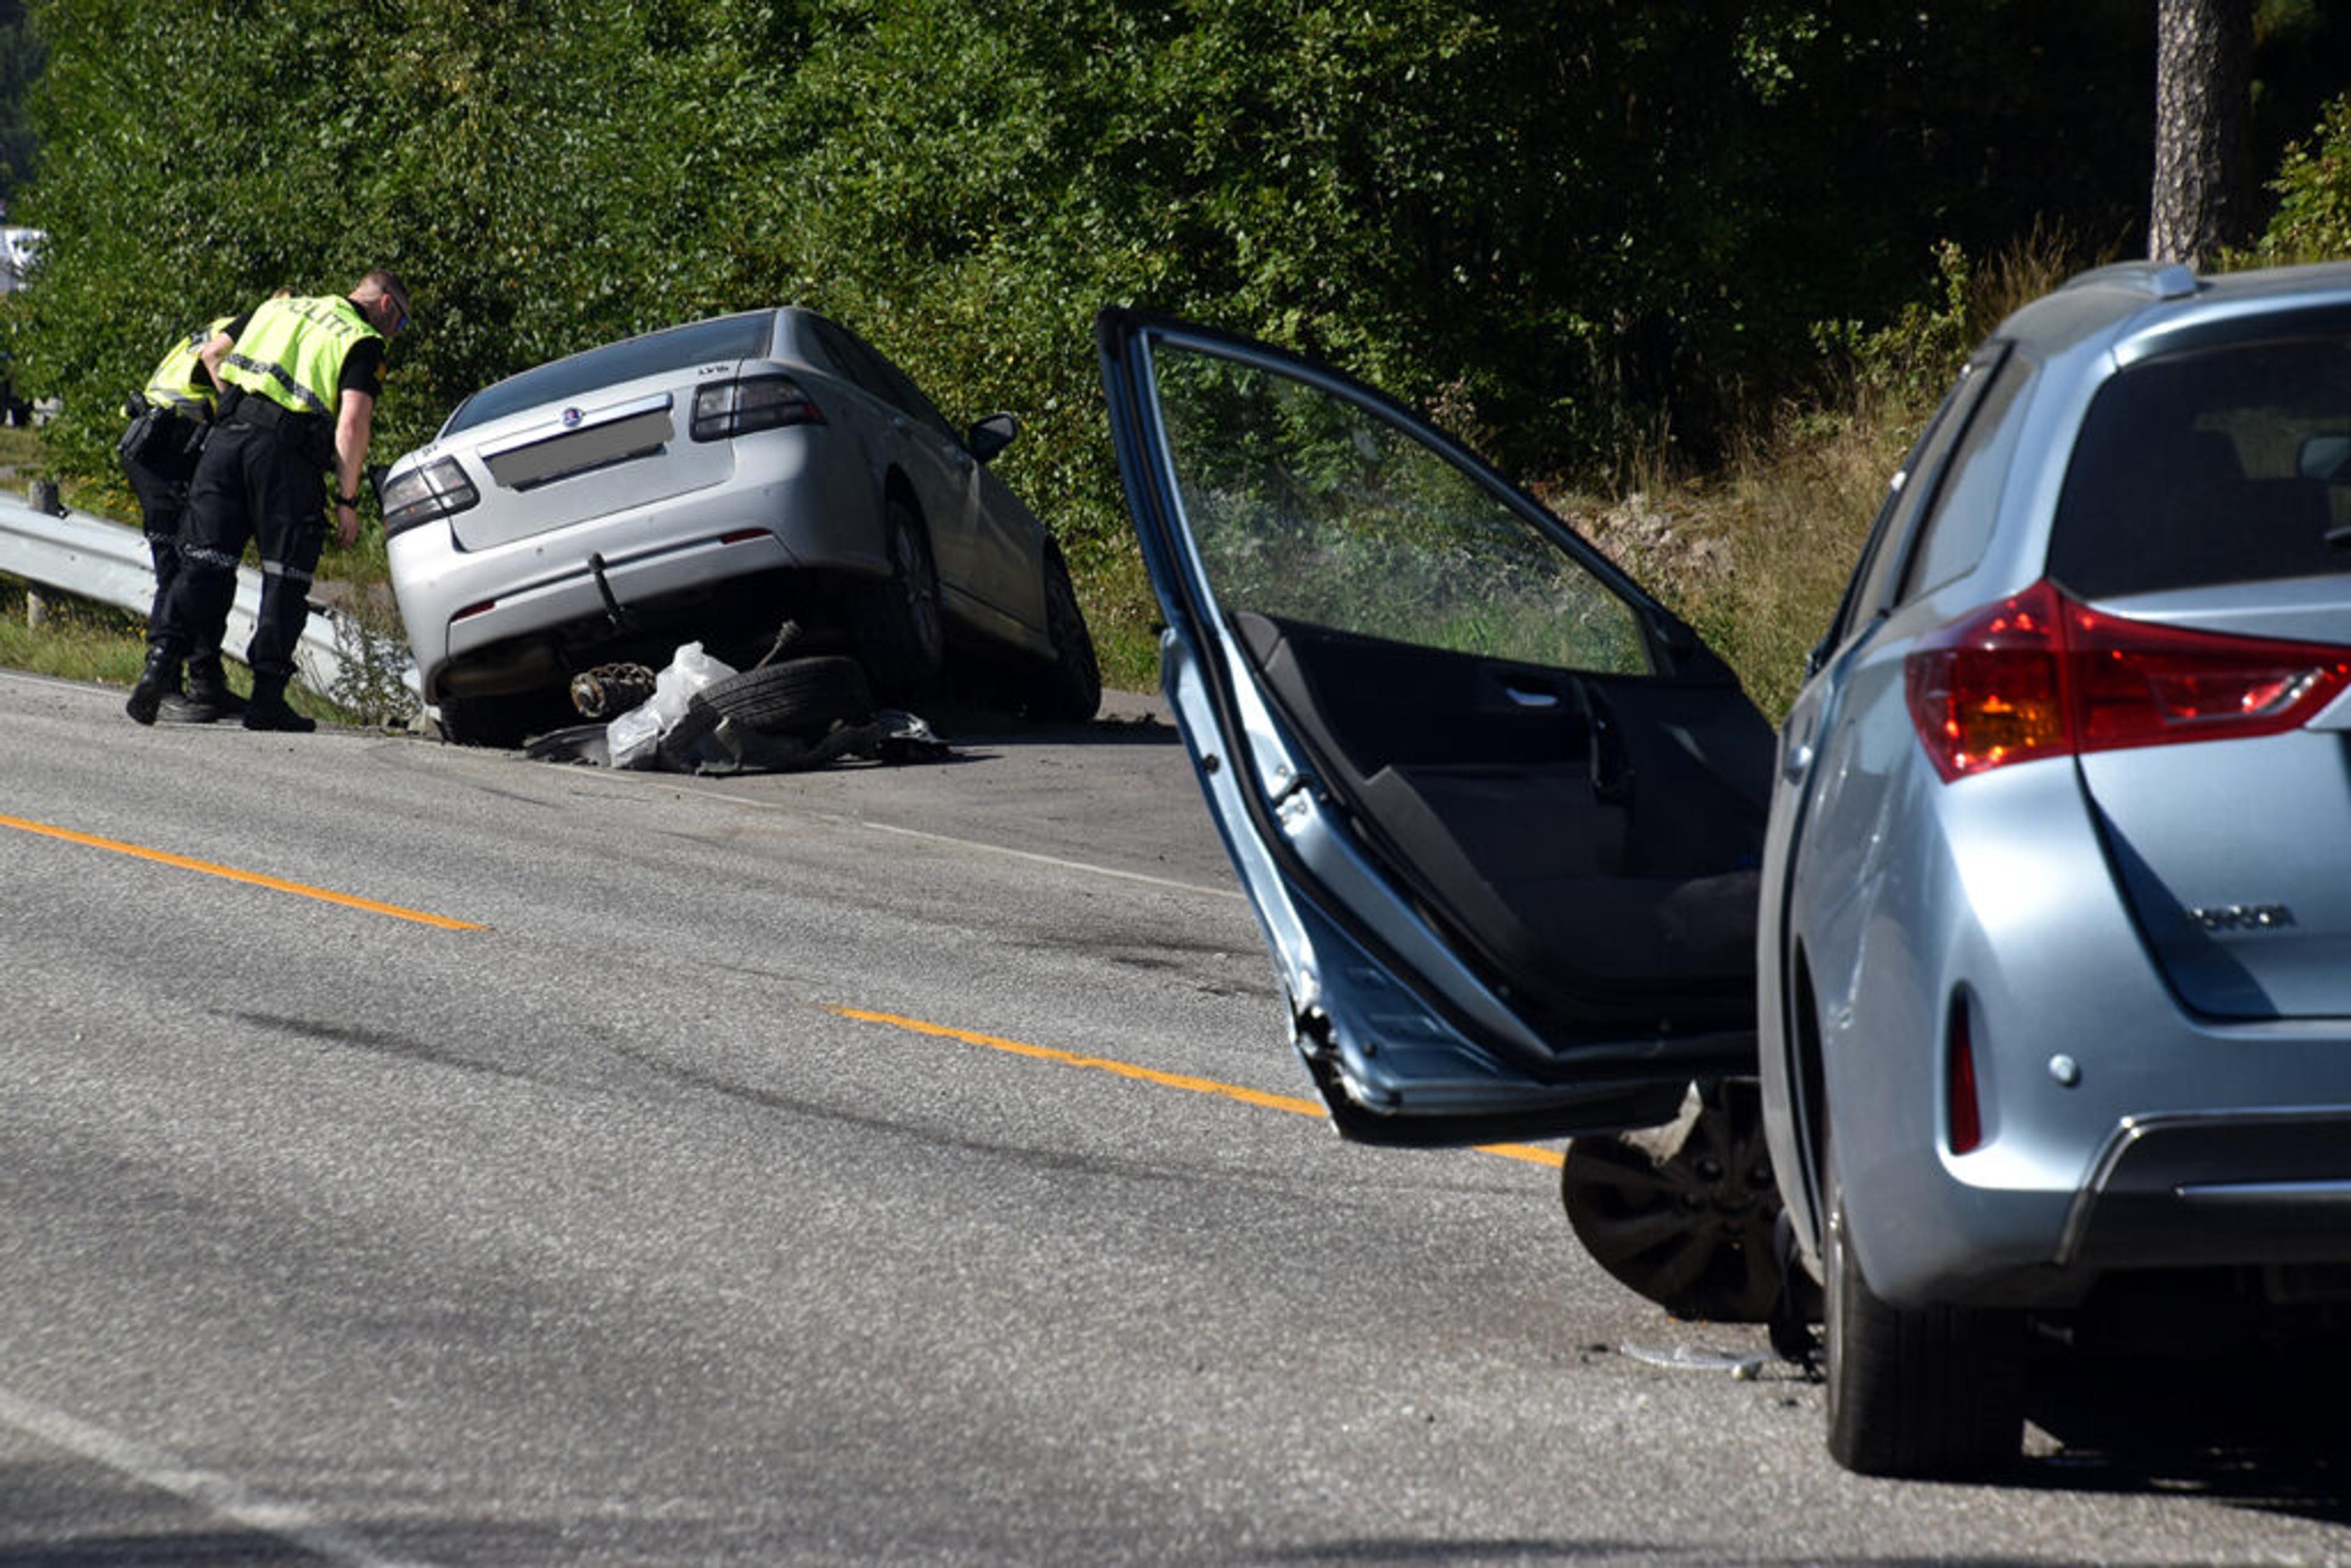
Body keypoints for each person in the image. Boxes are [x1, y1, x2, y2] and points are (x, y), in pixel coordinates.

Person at [126, 269, 410, 732]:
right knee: (285, 576)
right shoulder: (362, 339)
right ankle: (267, 699)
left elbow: (212, 353)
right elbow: (353, 422)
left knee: (203, 564)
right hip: (285, 458)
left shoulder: (276, 308)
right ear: (385, 304)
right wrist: (348, 499)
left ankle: (159, 666)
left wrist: (238, 410)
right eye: (401, 323)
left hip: (226, 442)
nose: (396, 333)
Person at [119, 313, 240, 722]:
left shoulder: (224, 323)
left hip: (165, 444)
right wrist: (231, 410)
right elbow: (212, 361)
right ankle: (166, 685)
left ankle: (206, 680)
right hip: (163, 447)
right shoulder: (247, 331)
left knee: (202, 567)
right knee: (177, 569)